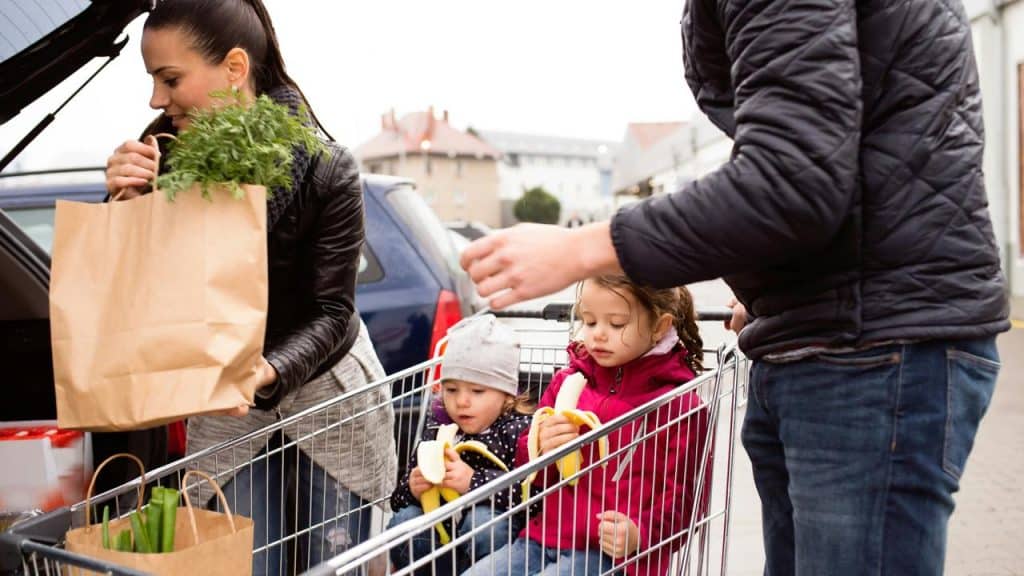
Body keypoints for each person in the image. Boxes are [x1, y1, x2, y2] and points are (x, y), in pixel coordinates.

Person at [460, 3, 1009, 574]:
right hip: (835, 331)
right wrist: (776, 286)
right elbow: (834, 156)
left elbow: (792, 179)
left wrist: (580, 250)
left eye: (615, 323)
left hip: (868, 346)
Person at [103, 1, 397, 573]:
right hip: (224, 407)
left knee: (331, 564)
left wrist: (267, 370)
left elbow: (333, 311)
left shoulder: (327, 166)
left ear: (234, 67)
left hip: (326, 397)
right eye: (153, 81)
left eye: (170, 79)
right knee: (241, 564)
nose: (156, 101)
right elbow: (132, 294)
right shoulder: (159, 160)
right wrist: (120, 207)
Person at [466, 276, 709, 576]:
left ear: (659, 327)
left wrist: (639, 534)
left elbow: (685, 501)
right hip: (544, 538)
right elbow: (529, 471)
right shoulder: (568, 382)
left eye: (617, 324)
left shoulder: (680, 406)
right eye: (590, 322)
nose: (598, 336)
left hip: (618, 559)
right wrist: (542, 447)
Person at [387, 314, 532, 575]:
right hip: (440, 542)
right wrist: (412, 487)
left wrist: (473, 482)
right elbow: (397, 500)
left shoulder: (517, 431)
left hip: (491, 546)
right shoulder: (438, 429)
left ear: (507, 395)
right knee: (403, 521)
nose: (462, 401)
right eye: (452, 390)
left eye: (477, 392)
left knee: (484, 523)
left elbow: (531, 498)